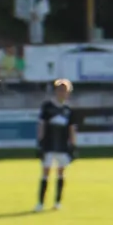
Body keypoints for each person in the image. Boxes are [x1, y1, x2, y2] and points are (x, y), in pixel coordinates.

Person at [34, 78, 76, 210]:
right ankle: (40, 203)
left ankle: (57, 202)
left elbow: (72, 129)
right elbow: (41, 125)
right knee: (45, 172)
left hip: (62, 146)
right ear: (56, 91)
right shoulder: (47, 107)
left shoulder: (68, 109)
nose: (62, 93)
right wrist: (40, 143)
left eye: (65, 90)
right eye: (60, 90)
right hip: (48, 145)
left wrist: (73, 146)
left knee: (61, 173)